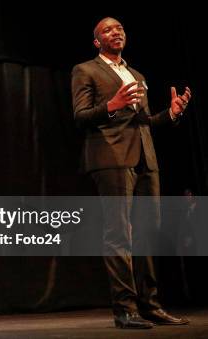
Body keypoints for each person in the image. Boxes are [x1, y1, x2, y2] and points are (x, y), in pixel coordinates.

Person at [71, 17, 192, 329]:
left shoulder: (136, 74)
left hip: (145, 159)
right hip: (110, 157)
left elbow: (144, 122)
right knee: (119, 234)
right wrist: (111, 104)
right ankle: (125, 309)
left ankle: (150, 306)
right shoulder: (85, 70)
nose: (117, 31)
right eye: (108, 29)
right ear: (97, 41)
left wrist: (171, 114)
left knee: (148, 233)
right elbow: (81, 116)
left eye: (120, 27)